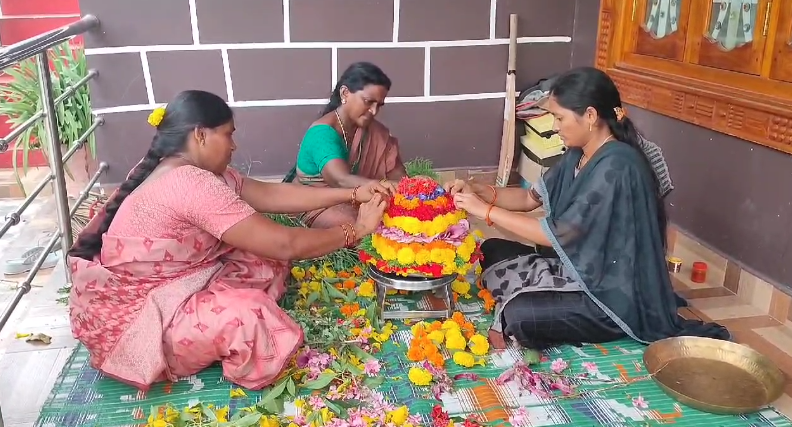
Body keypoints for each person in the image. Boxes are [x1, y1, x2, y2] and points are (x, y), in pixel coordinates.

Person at [67, 90, 390, 391]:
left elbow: (270, 194)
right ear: (200, 135)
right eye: (228, 134)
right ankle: (190, 344)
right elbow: (285, 243)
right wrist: (356, 231)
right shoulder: (189, 183)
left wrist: (353, 193)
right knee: (250, 316)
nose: (233, 146)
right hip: (145, 323)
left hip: (177, 284)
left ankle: (209, 327)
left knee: (264, 261)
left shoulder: (192, 170)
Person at [445, 67, 729, 350]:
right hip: (580, 267)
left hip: (612, 294)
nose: (555, 126)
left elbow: (553, 235)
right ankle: (542, 292)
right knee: (492, 249)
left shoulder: (616, 166)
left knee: (519, 315)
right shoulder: (578, 154)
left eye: (559, 117)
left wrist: (484, 211)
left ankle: (559, 308)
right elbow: (529, 199)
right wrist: (480, 191)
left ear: (590, 116)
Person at [284, 62, 407, 228]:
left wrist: (409, 186)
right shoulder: (322, 133)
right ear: (345, 93)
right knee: (359, 223)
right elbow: (340, 180)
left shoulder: (375, 131)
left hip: (360, 197)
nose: (373, 111)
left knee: (400, 214)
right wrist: (377, 185)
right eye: (368, 101)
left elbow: (398, 175)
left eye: (378, 105)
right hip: (316, 203)